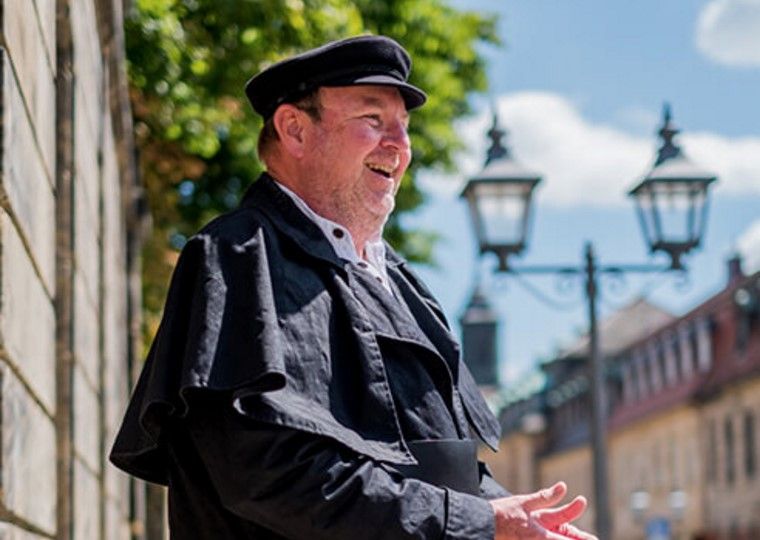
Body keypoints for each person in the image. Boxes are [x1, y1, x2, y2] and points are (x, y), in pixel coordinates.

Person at [110, 35, 597, 540]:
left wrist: (521, 521)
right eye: (372, 121)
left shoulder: (404, 285)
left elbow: (436, 462)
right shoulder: (236, 256)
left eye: (403, 128)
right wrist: (480, 522)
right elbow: (268, 474)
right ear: (295, 130)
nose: (399, 146)